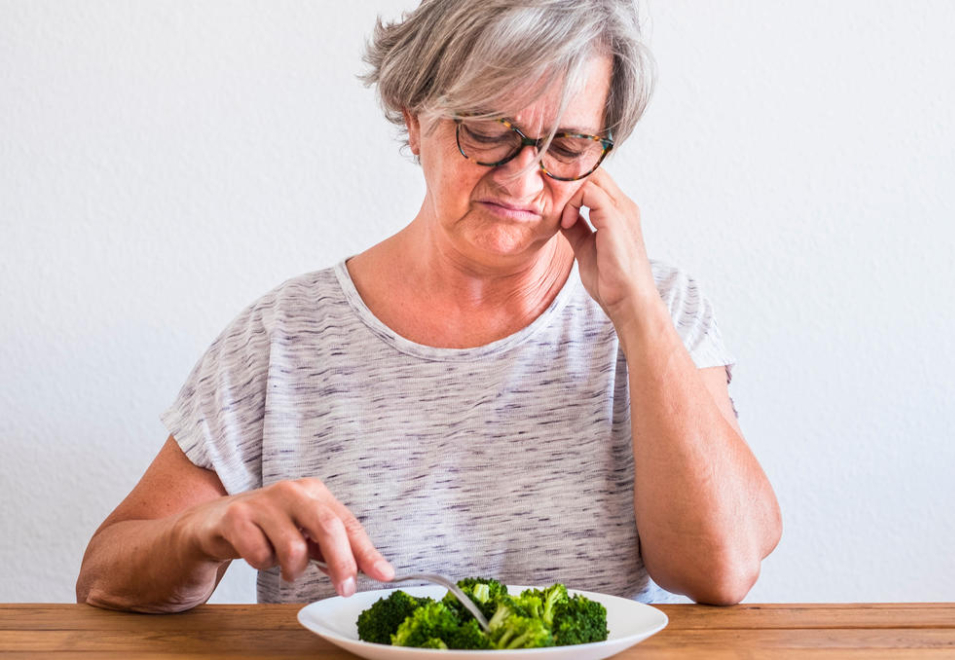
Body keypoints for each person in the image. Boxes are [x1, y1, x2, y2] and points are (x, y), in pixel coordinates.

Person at [77, 0, 781, 613]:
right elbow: (106, 575)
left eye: (566, 144)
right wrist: (206, 529)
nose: (523, 177)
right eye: (487, 130)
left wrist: (637, 313)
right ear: (415, 121)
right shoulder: (287, 334)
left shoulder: (659, 306)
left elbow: (720, 571)